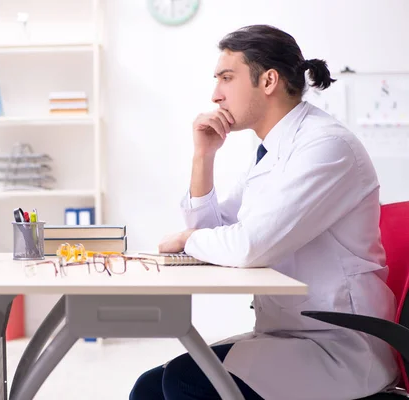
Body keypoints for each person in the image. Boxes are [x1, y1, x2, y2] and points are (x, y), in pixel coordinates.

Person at [130, 25, 399, 400]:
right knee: (149, 388)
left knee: (184, 381)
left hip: (337, 343)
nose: (215, 94)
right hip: (290, 334)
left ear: (268, 80)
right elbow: (214, 231)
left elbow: (246, 247)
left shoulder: (326, 147)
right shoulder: (272, 154)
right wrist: (203, 156)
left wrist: (189, 240)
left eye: (227, 78)